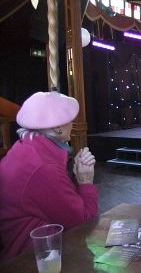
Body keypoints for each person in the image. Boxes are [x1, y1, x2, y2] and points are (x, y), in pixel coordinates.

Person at [0, 91, 98, 260]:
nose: (72, 124)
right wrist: (85, 181)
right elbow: (82, 223)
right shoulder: (44, 167)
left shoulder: (24, 148)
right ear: (58, 127)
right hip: (34, 258)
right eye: (70, 121)